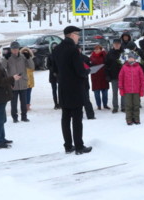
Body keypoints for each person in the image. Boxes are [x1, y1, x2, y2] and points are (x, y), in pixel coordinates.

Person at [52, 26, 92, 155]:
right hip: (75, 88)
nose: (78, 37)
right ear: (70, 35)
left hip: (63, 88)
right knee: (76, 118)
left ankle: (68, 146)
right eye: (77, 34)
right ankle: (79, 146)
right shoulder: (73, 50)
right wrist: (87, 71)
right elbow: (80, 71)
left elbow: (55, 69)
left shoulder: (57, 49)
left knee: (65, 118)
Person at [2, 42, 34, 123]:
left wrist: (28, 58)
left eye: (16, 49)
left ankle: (24, 116)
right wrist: (5, 59)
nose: (15, 51)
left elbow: (32, 67)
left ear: (19, 49)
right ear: (11, 50)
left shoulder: (23, 57)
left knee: (24, 102)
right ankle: (15, 118)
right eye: (13, 49)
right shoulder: (8, 58)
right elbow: (2, 68)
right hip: (13, 84)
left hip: (23, 82)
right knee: (13, 103)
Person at [119, 52, 144, 125]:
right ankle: (129, 119)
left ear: (135, 59)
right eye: (130, 58)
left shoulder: (138, 67)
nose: (131, 59)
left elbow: (142, 79)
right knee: (128, 105)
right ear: (128, 59)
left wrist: (142, 89)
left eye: (132, 58)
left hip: (136, 90)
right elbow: (120, 78)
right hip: (127, 90)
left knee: (136, 105)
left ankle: (136, 118)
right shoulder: (124, 67)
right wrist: (121, 89)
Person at [105, 39, 124, 113]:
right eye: (115, 44)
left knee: (123, 92)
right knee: (114, 93)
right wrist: (107, 75)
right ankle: (115, 107)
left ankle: (123, 106)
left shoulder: (124, 52)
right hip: (114, 76)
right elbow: (106, 65)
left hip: (123, 76)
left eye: (118, 44)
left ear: (120, 44)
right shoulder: (109, 53)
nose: (117, 45)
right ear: (113, 44)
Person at [90, 45, 110, 110]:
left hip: (104, 76)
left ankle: (105, 104)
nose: (96, 50)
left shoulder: (104, 55)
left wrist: (104, 53)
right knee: (97, 93)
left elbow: (107, 62)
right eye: (95, 49)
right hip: (95, 77)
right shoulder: (91, 57)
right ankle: (98, 105)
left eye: (98, 49)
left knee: (105, 93)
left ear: (101, 50)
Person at [78, 46, 96, 120]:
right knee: (78, 101)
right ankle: (79, 115)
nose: (78, 50)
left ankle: (90, 115)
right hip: (76, 83)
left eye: (79, 49)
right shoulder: (72, 58)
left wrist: (90, 67)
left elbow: (90, 67)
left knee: (86, 99)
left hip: (85, 82)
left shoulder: (85, 58)